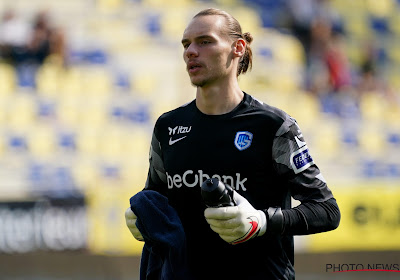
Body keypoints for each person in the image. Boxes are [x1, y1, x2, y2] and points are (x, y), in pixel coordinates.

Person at [125, 8, 340, 280]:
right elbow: (156, 200)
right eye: (186, 44)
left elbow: (327, 210)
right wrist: (140, 217)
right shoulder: (167, 127)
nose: (191, 51)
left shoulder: (273, 126)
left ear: (237, 48)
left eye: (205, 41)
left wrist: (261, 222)